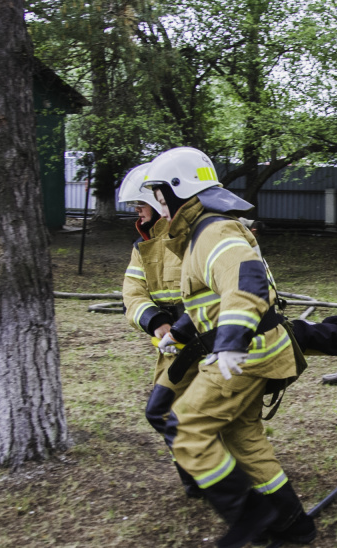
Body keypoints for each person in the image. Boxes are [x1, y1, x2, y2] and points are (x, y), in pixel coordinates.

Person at [142, 147, 315, 548]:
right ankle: (293, 524)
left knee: (185, 427)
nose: (157, 205)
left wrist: (232, 344)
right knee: (243, 437)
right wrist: (180, 333)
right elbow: (214, 299)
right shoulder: (200, 232)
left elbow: (246, 281)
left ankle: (251, 516)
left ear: (178, 190)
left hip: (244, 355)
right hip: (254, 349)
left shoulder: (213, 231)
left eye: (160, 194)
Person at [119, 163, 201, 498]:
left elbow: (210, 294)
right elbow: (132, 293)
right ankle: (198, 482)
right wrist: (155, 320)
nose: (137, 211)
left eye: (140, 204)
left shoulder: (197, 236)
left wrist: (181, 326)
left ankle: (218, 481)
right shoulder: (142, 248)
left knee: (199, 413)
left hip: (205, 339)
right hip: (173, 344)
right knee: (167, 412)